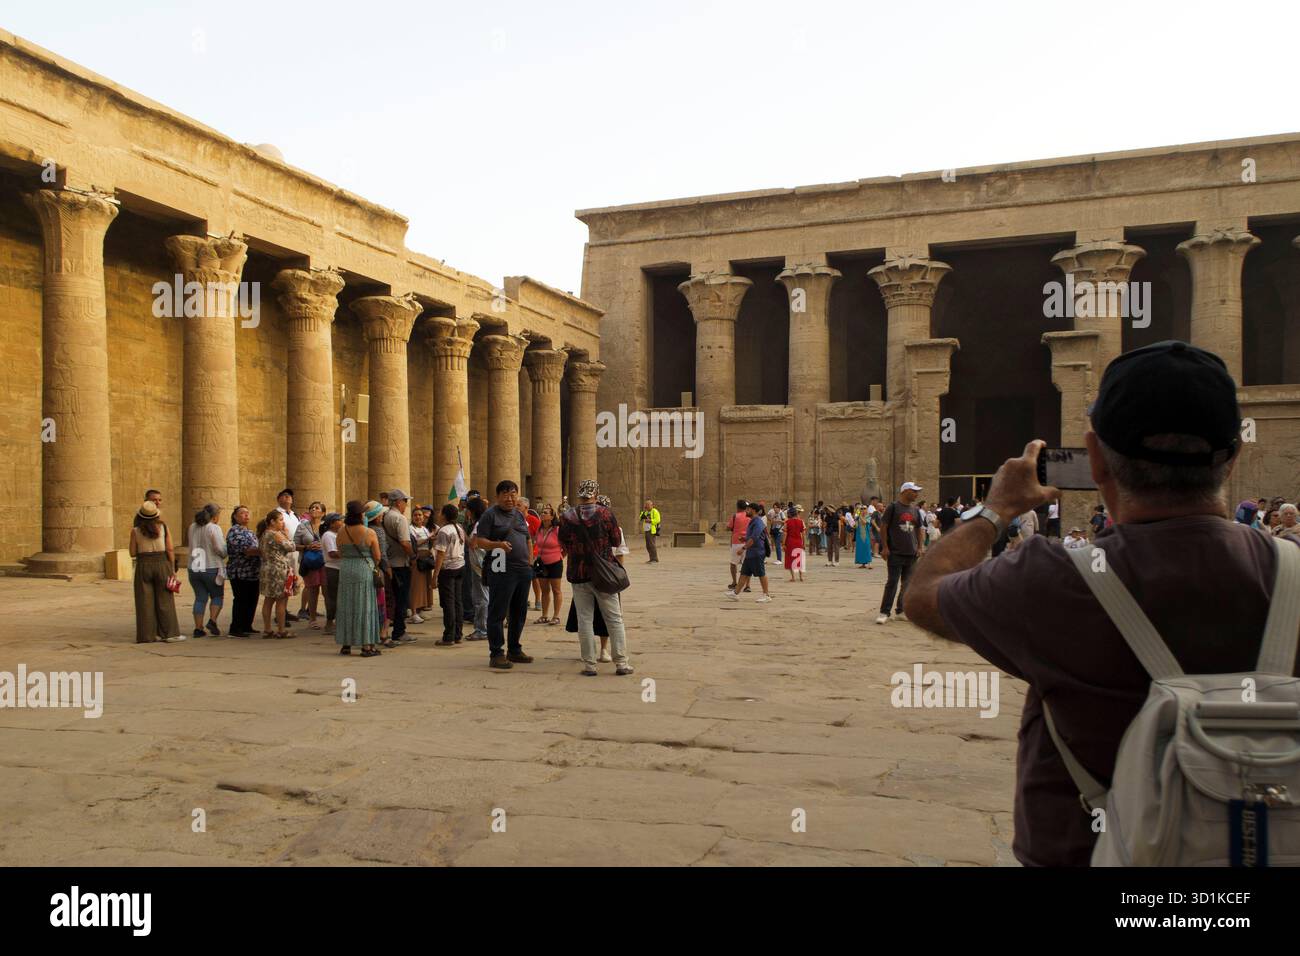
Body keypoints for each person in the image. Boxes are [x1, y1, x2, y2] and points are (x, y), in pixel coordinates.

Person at [904, 339, 1300, 867]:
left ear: (1094, 458)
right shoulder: (1293, 574)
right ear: (1234, 458)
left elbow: (924, 593)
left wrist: (995, 509)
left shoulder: (1050, 579)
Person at [558, 479, 633, 676]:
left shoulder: (567, 516)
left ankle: (590, 665)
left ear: (579, 493)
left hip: (578, 573)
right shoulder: (605, 513)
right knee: (614, 618)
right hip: (603, 575)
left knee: (584, 620)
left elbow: (563, 542)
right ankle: (621, 663)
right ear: (596, 493)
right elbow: (616, 540)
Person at [470, 479, 535, 670]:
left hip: (523, 569)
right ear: (498, 496)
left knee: (519, 611)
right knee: (498, 611)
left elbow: (528, 539)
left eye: (513, 493)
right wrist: (497, 545)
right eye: (506, 494)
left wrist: (530, 562)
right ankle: (496, 653)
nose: (510, 498)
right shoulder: (490, 515)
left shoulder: (519, 514)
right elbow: (479, 541)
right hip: (501, 569)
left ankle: (514, 649)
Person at [335, 500, 383, 657]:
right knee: (365, 606)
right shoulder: (369, 533)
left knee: (347, 605)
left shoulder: (342, 531)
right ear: (362, 514)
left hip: (346, 569)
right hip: (364, 569)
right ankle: (367, 646)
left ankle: (346, 644)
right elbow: (377, 556)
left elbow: (340, 552)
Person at [130, 501, 181, 644]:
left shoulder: (135, 530)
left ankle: (147, 635)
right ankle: (169, 633)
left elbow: (132, 552)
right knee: (165, 599)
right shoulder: (163, 527)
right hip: (161, 562)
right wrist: (172, 568)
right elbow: (170, 549)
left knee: (144, 601)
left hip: (143, 564)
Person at [875, 481, 924, 624]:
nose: (916, 494)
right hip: (895, 551)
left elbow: (919, 529)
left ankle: (901, 610)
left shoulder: (915, 510)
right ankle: (884, 612)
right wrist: (885, 547)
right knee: (892, 582)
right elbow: (884, 527)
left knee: (907, 584)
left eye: (917, 491)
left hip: (912, 552)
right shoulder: (893, 507)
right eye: (914, 491)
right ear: (905, 491)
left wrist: (920, 547)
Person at [184, 505, 226, 639]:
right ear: (214, 516)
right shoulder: (213, 528)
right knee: (217, 595)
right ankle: (212, 620)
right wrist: (225, 553)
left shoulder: (192, 527)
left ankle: (198, 627)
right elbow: (219, 548)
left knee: (200, 597)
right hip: (211, 565)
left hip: (195, 566)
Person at [381, 490, 416, 643]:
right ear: (398, 502)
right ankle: (399, 632)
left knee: (392, 598)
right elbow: (404, 542)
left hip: (389, 562)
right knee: (401, 599)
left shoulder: (385, 516)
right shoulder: (399, 518)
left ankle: (389, 629)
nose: (406, 505)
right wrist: (413, 556)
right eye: (405, 501)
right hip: (400, 563)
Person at [431, 503, 467, 646]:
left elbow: (440, 554)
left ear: (445, 515)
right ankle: (458, 633)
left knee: (448, 603)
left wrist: (435, 576)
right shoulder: (459, 528)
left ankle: (449, 636)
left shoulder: (444, 531)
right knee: (457, 601)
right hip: (459, 566)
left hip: (448, 569)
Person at [258, 509, 296, 640]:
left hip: (267, 568)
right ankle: (281, 629)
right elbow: (291, 547)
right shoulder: (275, 534)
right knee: (281, 599)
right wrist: (286, 535)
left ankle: (267, 629)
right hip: (278, 569)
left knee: (268, 599)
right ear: (272, 522)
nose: (282, 523)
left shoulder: (264, 534)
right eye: (280, 520)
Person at [225, 505, 262, 637]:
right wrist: (264, 551)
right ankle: (236, 627)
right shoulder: (235, 531)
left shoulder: (249, 532)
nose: (246, 515)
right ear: (235, 516)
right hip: (240, 571)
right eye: (242, 513)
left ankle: (247, 625)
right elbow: (246, 550)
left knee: (252, 598)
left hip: (253, 572)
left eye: (247, 513)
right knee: (241, 599)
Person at [727, 500, 771, 602]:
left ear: (753, 510)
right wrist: (744, 539)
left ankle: (766, 595)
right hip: (751, 553)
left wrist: (743, 548)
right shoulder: (752, 521)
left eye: (748, 509)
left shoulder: (758, 522)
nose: (746, 511)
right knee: (744, 572)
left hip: (757, 552)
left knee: (761, 573)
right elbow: (751, 537)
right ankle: (735, 593)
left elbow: (754, 538)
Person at [293, 501, 327, 629]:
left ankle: (330, 618)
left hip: (325, 561)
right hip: (309, 561)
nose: (313, 509)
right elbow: (294, 545)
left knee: (327, 590)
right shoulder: (302, 526)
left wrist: (323, 546)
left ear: (323, 513)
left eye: (317, 508)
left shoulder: (327, 526)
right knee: (312, 590)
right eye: (311, 507)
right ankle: (312, 619)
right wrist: (307, 546)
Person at [463, 495, 489, 640]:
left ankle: (482, 629)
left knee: (481, 598)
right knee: (483, 596)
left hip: (480, 565)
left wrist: (462, 535)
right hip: (482, 564)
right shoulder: (482, 522)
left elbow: (474, 544)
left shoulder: (479, 524)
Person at [534, 502, 564, 623]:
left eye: (545, 513)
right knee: (545, 590)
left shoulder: (557, 530)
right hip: (542, 564)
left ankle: (556, 616)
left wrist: (559, 556)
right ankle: (544, 615)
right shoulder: (540, 529)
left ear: (552, 517)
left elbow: (565, 547)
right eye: (542, 512)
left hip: (555, 563)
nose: (542, 514)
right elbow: (535, 543)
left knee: (556, 590)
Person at [274, 489, 301, 615]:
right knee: (282, 581)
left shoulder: (294, 515)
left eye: (289, 496)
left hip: (294, 550)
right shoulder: (276, 513)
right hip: (283, 550)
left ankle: (284, 609)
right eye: (284, 496)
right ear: (279, 499)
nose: (288, 498)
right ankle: (280, 610)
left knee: (291, 581)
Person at [408, 506, 434, 623]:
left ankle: (420, 610)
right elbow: (415, 543)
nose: (418, 517)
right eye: (415, 515)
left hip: (426, 560)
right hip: (417, 560)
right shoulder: (410, 529)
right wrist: (429, 537)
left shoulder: (424, 529)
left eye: (420, 515)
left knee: (424, 586)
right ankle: (413, 612)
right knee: (415, 586)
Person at [320, 512, 343, 635]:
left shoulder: (337, 534)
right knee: (332, 597)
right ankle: (329, 623)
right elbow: (332, 553)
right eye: (339, 520)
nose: (342, 522)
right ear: (333, 523)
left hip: (339, 568)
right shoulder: (328, 535)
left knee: (337, 597)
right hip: (332, 569)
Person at [726, 499, 750, 593]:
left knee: (733, 564)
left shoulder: (735, 516)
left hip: (736, 541)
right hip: (747, 541)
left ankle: (734, 582)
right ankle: (747, 585)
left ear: (738, 507)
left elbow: (728, 527)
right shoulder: (749, 516)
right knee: (747, 565)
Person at [784, 504, 806, 581]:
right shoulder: (801, 522)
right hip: (798, 541)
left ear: (789, 514)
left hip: (790, 542)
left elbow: (785, 534)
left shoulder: (787, 522)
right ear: (796, 514)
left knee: (790, 559)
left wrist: (783, 543)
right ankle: (801, 576)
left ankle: (793, 577)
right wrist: (804, 543)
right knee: (799, 558)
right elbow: (803, 534)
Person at [854, 503, 874, 567]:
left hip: (866, 535)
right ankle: (863, 564)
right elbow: (856, 526)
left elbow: (865, 522)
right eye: (861, 509)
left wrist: (859, 516)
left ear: (867, 510)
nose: (863, 510)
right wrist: (855, 520)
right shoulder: (858, 517)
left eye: (864, 509)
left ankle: (869, 563)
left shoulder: (868, 516)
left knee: (867, 548)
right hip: (859, 535)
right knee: (861, 548)